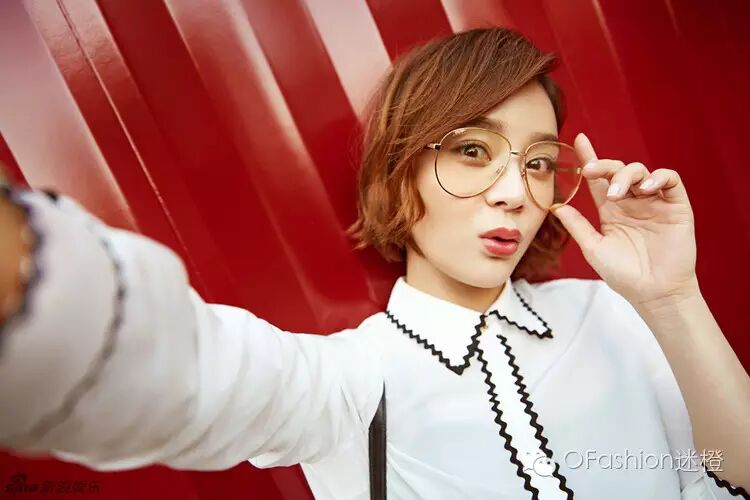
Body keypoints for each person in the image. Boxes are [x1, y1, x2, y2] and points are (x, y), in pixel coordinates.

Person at [0, 27, 748, 500]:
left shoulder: (609, 315)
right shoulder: (351, 380)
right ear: (399, 170)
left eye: (540, 163)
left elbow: (729, 470)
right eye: (472, 150)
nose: (516, 192)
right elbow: (188, 379)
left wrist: (672, 298)